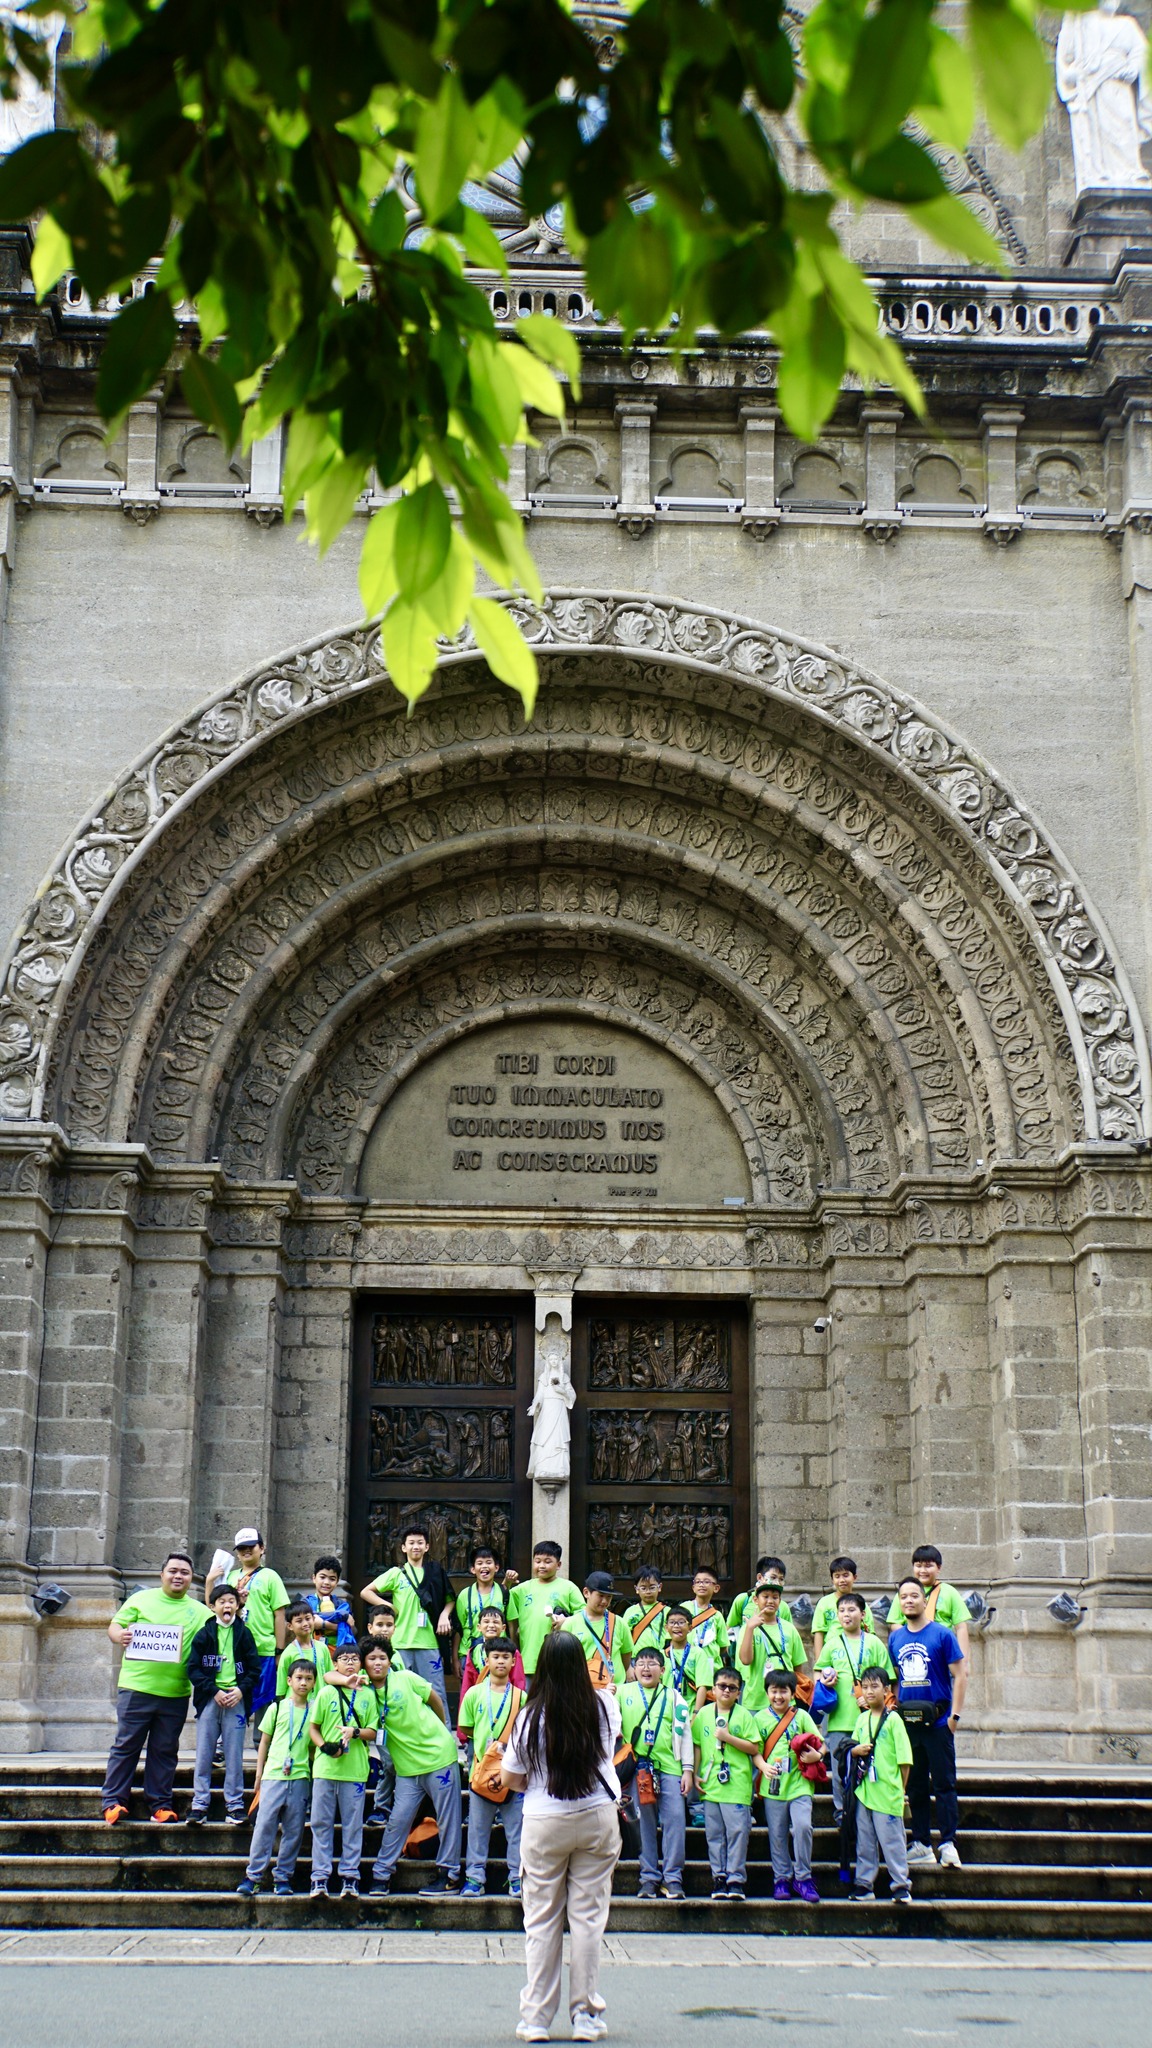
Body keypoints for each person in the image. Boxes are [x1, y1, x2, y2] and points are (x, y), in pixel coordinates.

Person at [501, 1630, 621, 2044]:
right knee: (587, 1920)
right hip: (597, 1818)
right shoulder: (605, 1705)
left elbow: (511, 1778)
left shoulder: (529, 1716)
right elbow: (609, 1751)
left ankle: (535, 2018)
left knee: (541, 1921)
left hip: (543, 1821)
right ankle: (585, 2015)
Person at [101, 1552, 211, 1825]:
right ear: (162, 1575)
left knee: (164, 1750)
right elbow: (115, 1626)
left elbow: (222, 1626)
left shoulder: (199, 1611)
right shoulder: (141, 1599)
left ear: (190, 1579)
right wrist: (120, 1636)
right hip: (136, 1687)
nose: (178, 1576)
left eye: (184, 1572)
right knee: (126, 1745)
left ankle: (160, 1805)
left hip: (175, 1692)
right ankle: (113, 1802)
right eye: (173, 1571)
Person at [367, 1637, 464, 1898]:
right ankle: (381, 1873)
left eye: (383, 1658)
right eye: (372, 1659)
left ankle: (450, 1875)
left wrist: (440, 1730)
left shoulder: (406, 1677)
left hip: (439, 1758)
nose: (378, 1663)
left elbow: (434, 1698)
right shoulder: (363, 1692)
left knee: (449, 1818)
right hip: (407, 1769)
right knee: (398, 1820)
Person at [888, 1575, 967, 1870]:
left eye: (913, 1595)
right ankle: (921, 1842)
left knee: (945, 1784)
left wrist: (954, 1717)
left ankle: (948, 1843)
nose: (908, 1600)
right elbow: (894, 1680)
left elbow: (960, 1674)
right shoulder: (896, 1638)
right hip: (908, 1724)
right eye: (903, 1597)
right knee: (917, 1786)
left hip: (938, 1724)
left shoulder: (942, 1634)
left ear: (924, 1600)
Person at [237, 1659, 317, 1896]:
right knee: (264, 1827)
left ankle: (283, 1877)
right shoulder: (277, 1708)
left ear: (314, 1683)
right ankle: (253, 1876)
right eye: (299, 1678)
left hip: (300, 1776)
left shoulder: (314, 1711)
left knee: (294, 1830)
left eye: (308, 1678)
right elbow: (264, 1742)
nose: (303, 1682)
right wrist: (259, 1773)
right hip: (273, 1775)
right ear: (289, 1680)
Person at [618, 1646, 692, 1901]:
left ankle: (673, 1878)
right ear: (633, 1668)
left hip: (670, 1768)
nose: (646, 1668)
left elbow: (686, 1734)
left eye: (652, 1664)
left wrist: (687, 1770)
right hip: (638, 1770)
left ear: (663, 1670)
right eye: (641, 1663)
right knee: (644, 1824)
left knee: (675, 1822)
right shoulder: (621, 1693)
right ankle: (648, 1877)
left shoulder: (674, 1697)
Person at [308, 1640, 380, 1899]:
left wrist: (355, 1732)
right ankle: (319, 1877)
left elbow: (374, 1732)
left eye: (354, 1658)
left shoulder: (368, 1694)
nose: (349, 1662)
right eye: (344, 1659)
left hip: (355, 1771)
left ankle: (350, 1876)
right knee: (320, 1823)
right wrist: (325, 1747)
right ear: (335, 1664)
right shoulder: (326, 1693)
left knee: (352, 1825)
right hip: (326, 1769)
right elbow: (313, 1728)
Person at [186, 1583, 262, 1825]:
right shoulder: (204, 1634)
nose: (227, 1605)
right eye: (221, 1601)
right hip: (211, 1699)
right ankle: (199, 1805)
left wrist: (240, 1691)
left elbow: (254, 1669)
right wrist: (213, 1690)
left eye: (231, 1601)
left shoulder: (245, 1633)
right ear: (212, 1606)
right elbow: (193, 1669)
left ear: (238, 1605)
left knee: (234, 1755)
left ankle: (235, 1805)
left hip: (236, 1700)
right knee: (205, 1754)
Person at [816, 1592, 894, 1821]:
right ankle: (842, 1810)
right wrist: (824, 1679)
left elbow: (887, 1678)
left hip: (870, 1718)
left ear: (863, 1614)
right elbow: (819, 1671)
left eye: (851, 1610)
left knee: (870, 1764)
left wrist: (873, 1701)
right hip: (840, 1717)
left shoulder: (873, 1643)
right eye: (841, 1611)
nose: (846, 1615)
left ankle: (867, 1807)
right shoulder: (832, 1644)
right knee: (840, 1769)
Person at [459, 1634, 525, 1899]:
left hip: (513, 1773)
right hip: (482, 1771)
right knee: (477, 1829)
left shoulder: (522, 1696)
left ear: (513, 1662)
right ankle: (475, 1878)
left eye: (505, 1657)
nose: (500, 1661)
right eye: (495, 1657)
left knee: (517, 1830)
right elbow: (466, 1729)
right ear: (486, 1660)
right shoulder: (475, 1693)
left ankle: (517, 1879)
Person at [361, 1523, 454, 1709]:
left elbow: (450, 1598)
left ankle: (442, 1735)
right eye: (411, 1543)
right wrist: (388, 1606)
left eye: (420, 1542)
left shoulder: (435, 1572)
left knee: (435, 1693)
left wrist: (445, 1615)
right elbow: (366, 1592)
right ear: (403, 1547)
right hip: (400, 1643)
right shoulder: (396, 1574)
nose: (415, 1546)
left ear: (427, 1546)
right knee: (398, 1692)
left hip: (429, 1642)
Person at [690, 1666, 761, 1901]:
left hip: (737, 1785)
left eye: (732, 1688)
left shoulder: (744, 1715)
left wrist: (728, 1738)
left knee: (738, 1832)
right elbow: (698, 1744)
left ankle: (736, 1879)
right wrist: (696, 1773)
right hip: (711, 1783)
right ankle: (718, 1877)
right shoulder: (703, 1714)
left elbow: (753, 1748)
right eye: (722, 1686)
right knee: (715, 1834)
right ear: (713, 1689)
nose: (726, 1691)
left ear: (739, 1692)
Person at [756, 1668, 825, 1904]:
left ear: (792, 1693)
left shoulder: (802, 1717)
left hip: (800, 1783)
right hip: (772, 1785)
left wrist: (817, 1756)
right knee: (777, 1834)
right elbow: (754, 1751)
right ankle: (781, 1878)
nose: (778, 1696)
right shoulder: (760, 1719)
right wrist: (763, 1766)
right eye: (774, 1691)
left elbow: (821, 1744)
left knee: (803, 1827)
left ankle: (803, 1877)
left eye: (783, 1691)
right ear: (767, 1693)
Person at [207, 1528, 289, 1722]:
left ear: (262, 1548)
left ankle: (262, 1744)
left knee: (264, 1699)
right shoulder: (230, 1576)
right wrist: (210, 1580)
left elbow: (280, 1615)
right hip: (233, 1648)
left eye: (250, 1546)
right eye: (241, 1548)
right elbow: (212, 1605)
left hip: (263, 1648)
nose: (246, 1551)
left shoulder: (270, 1576)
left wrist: (279, 1650)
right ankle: (225, 1743)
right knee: (232, 1696)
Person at [848, 1664, 913, 1904]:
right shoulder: (862, 1719)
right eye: (864, 1687)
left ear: (886, 1690)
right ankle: (865, 1884)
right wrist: (855, 1749)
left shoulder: (894, 1719)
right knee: (865, 1841)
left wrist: (901, 1789)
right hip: (865, 1790)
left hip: (887, 1790)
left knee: (892, 1840)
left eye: (874, 1686)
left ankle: (900, 1884)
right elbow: (851, 1749)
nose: (869, 1692)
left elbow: (905, 1760)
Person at [508, 1541, 583, 1678]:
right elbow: (503, 1601)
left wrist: (566, 1621)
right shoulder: (522, 1589)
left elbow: (584, 1615)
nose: (541, 1566)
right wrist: (507, 1582)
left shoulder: (568, 1587)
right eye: (537, 1561)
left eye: (547, 1562)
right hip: (529, 1660)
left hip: (558, 1659)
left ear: (558, 1565)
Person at [735, 1579, 808, 1713]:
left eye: (775, 1597)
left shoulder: (789, 1629)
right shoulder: (748, 1628)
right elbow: (745, 1660)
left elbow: (797, 1667)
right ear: (756, 1600)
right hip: (755, 1700)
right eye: (766, 1597)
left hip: (785, 1700)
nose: (770, 1601)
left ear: (780, 1601)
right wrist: (750, 1628)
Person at [886, 1546, 971, 1657]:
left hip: (942, 1649)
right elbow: (894, 1622)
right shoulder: (905, 1591)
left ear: (938, 1568)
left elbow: (961, 1627)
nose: (923, 1571)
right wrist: (913, 1636)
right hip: (913, 1650)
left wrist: (963, 1660)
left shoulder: (949, 1592)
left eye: (928, 1566)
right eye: (918, 1566)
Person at [562, 1572, 634, 1687]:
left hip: (615, 1689)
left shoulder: (619, 1623)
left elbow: (626, 1655)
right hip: (582, 1689)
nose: (605, 1601)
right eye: (600, 1595)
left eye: (609, 1597)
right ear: (586, 1593)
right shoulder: (570, 1624)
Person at [456, 1545, 513, 1668]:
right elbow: (458, 1628)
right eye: (479, 1563)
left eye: (488, 1562)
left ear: (496, 1567)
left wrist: (514, 1651)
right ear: (473, 1569)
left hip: (500, 1652)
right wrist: (455, 1659)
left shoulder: (504, 1593)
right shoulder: (465, 1595)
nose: (484, 1567)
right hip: (469, 1653)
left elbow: (512, 1625)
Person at [811, 1557, 877, 1661]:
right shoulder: (824, 1603)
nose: (842, 1580)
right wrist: (820, 1665)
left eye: (846, 1575)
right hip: (832, 1656)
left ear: (854, 1577)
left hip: (858, 1656)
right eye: (837, 1576)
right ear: (832, 1579)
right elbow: (819, 1634)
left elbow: (869, 1633)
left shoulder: (862, 1604)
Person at [459, 1604, 526, 1704]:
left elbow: (518, 1681)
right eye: (486, 1622)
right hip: (479, 1702)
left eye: (495, 1622)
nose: (491, 1625)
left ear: (503, 1628)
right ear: (479, 1627)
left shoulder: (512, 1652)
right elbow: (467, 1684)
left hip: (505, 1701)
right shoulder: (474, 1652)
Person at [275, 1600, 333, 1697]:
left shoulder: (322, 1648)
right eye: (299, 1621)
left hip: (320, 1705)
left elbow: (329, 1675)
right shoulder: (288, 1654)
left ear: (313, 1619)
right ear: (290, 1626)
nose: (305, 1624)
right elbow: (282, 1690)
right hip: (297, 1707)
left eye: (308, 1618)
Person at [726, 1554, 793, 1635]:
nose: (777, 1583)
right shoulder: (743, 1600)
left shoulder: (783, 1607)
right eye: (773, 1577)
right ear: (760, 1577)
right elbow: (729, 1628)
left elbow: (789, 1633)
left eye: (781, 1579)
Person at [305, 1554, 357, 1649]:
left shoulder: (341, 1605)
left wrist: (322, 1624)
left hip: (335, 1653)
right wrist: (338, 1620)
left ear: (337, 1582)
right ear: (314, 1578)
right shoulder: (306, 1602)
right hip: (310, 1651)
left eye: (332, 1579)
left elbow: (351, 1629)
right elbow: (306, 1622)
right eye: (322, 1577)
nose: (327, 1582)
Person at [622, 1565, 669, 1662]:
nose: (648, 1592)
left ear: (659, 1587)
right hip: (635, 1659)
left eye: (652, 1587)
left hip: (661, 1658)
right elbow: (623, 1637)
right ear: (636, 1589)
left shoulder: (667, 1611)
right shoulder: (630, 1611)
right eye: (643, 1588)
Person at [687, 1566, 731, 1663]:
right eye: (698, 1582)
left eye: (706, 1582)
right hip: (687, 1664)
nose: (701, 1585)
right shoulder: (684, 1608)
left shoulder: (717, 1615)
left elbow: (723, 1646)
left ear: (716, 1588)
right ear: (693, 1587)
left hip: (711, 1665)